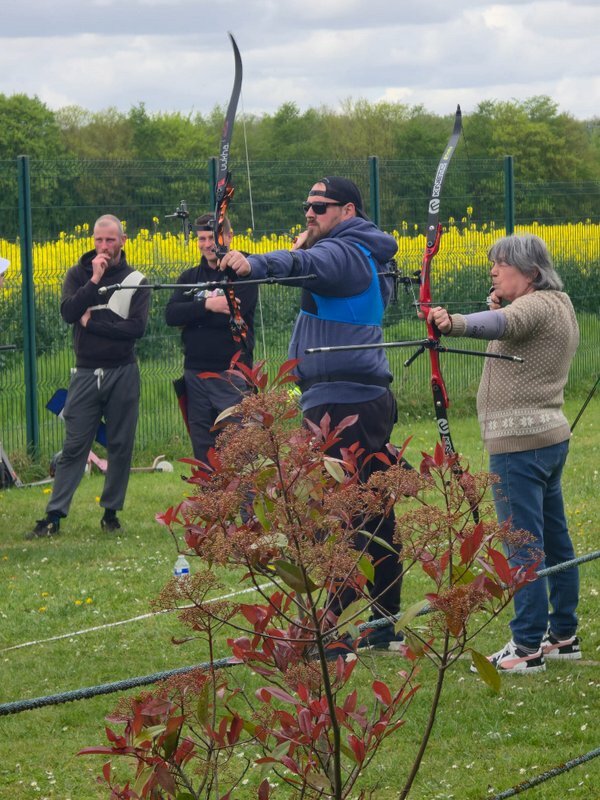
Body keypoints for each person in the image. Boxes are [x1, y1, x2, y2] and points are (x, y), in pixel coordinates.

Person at [220, 176, 403, 652]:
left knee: (341, 513)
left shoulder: (344, 253)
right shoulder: (359, 251)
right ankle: (384, 620)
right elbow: (309, 265)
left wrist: (254, 263)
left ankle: (329, 630)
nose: (309, 212)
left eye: (319, 206)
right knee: (373, 512)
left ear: (347, 211)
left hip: (344, 404)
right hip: (353, 398)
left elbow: (304, 263)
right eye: (307, 205)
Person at [426, 233, 580, 673]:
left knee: (522, 546)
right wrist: (495, 309)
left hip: (520, 447)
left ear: (530, 272)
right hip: (546, 438)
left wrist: (453, 323)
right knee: (554, 540)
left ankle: (527, 646)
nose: (493, 271)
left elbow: (502, 324)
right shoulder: (559, 303)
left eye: (502, 264)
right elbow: (510, 323)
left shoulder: (532, 307)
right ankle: (563, 635)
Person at [26, 215, 150, 538]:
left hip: (123, 371)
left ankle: (111, 513)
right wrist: (94, 280)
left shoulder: (137, 280)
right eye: (99, 240)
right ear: (93, 240)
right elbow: (69, 313)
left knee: (120, 445)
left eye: (110, 240)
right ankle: (53, 516)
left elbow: (135, 329)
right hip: (84, 372)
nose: (104, 246)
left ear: (123, 240)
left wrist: (92, 324)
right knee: (74, 445)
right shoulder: (77, 275)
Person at [165, 214, 258, 463]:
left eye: (212, 238)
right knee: (204, 448)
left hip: (231, 375)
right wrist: (209, 305)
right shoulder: (189, 278)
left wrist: (193, 314)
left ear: (229, 237)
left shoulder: (244, 272)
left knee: (240, 449)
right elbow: (171, 315)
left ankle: (242, 491)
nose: (207, 244)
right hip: (195, 375)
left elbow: (235, 312)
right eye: (202, 239)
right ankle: (211, 491)